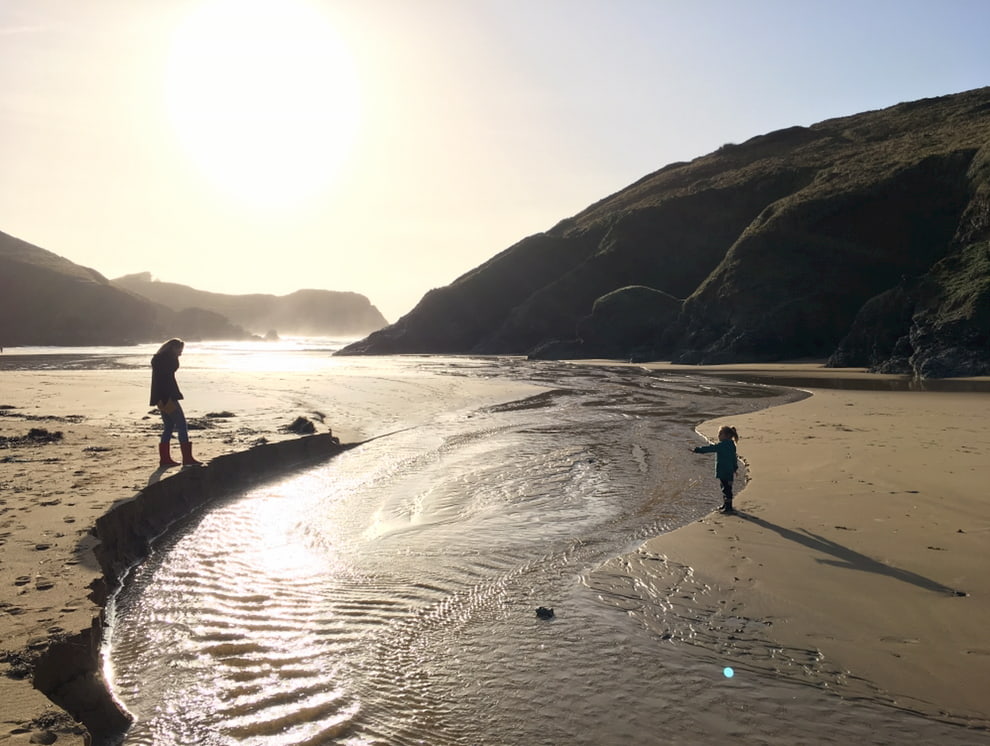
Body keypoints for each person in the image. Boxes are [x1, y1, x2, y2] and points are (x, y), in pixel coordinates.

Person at [149, 338, 202, 467]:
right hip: (168, 398)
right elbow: (168, 379)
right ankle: (187, 458)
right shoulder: (168, 361)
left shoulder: (159, 360)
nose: (181, 353)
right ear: (172, 348)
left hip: (159, 398)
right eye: (180, 349)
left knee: (168, 426)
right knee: (182, 425)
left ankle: (165, 459)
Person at [692, 425, 739, 513]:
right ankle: (726, 505)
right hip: (728, 471)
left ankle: (728, 508)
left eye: (720, 434)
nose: (718, 436)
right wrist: (735, 468)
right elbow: (734, 458)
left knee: (726, 489)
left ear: (727, 436)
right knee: (726, 488)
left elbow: (710, 448)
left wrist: (697, 450)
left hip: (724, 471)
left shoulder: (722, 445)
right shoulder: (732, 445)